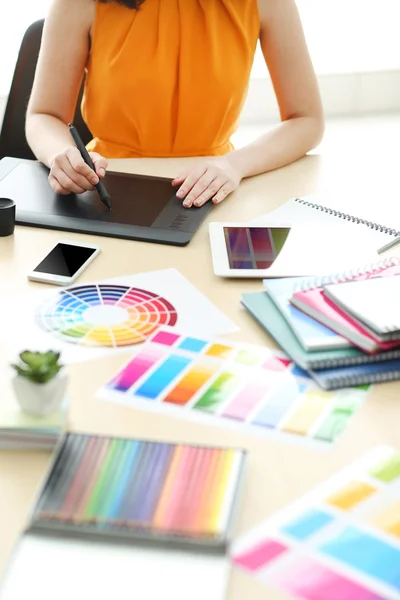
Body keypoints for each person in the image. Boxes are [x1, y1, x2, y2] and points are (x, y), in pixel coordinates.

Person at [26, 0, 324, 208]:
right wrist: (61, 155)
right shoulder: (79, 3)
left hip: (215, 185)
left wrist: (235, 165)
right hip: (106, 185)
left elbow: (306, 120)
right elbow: (44, 114)